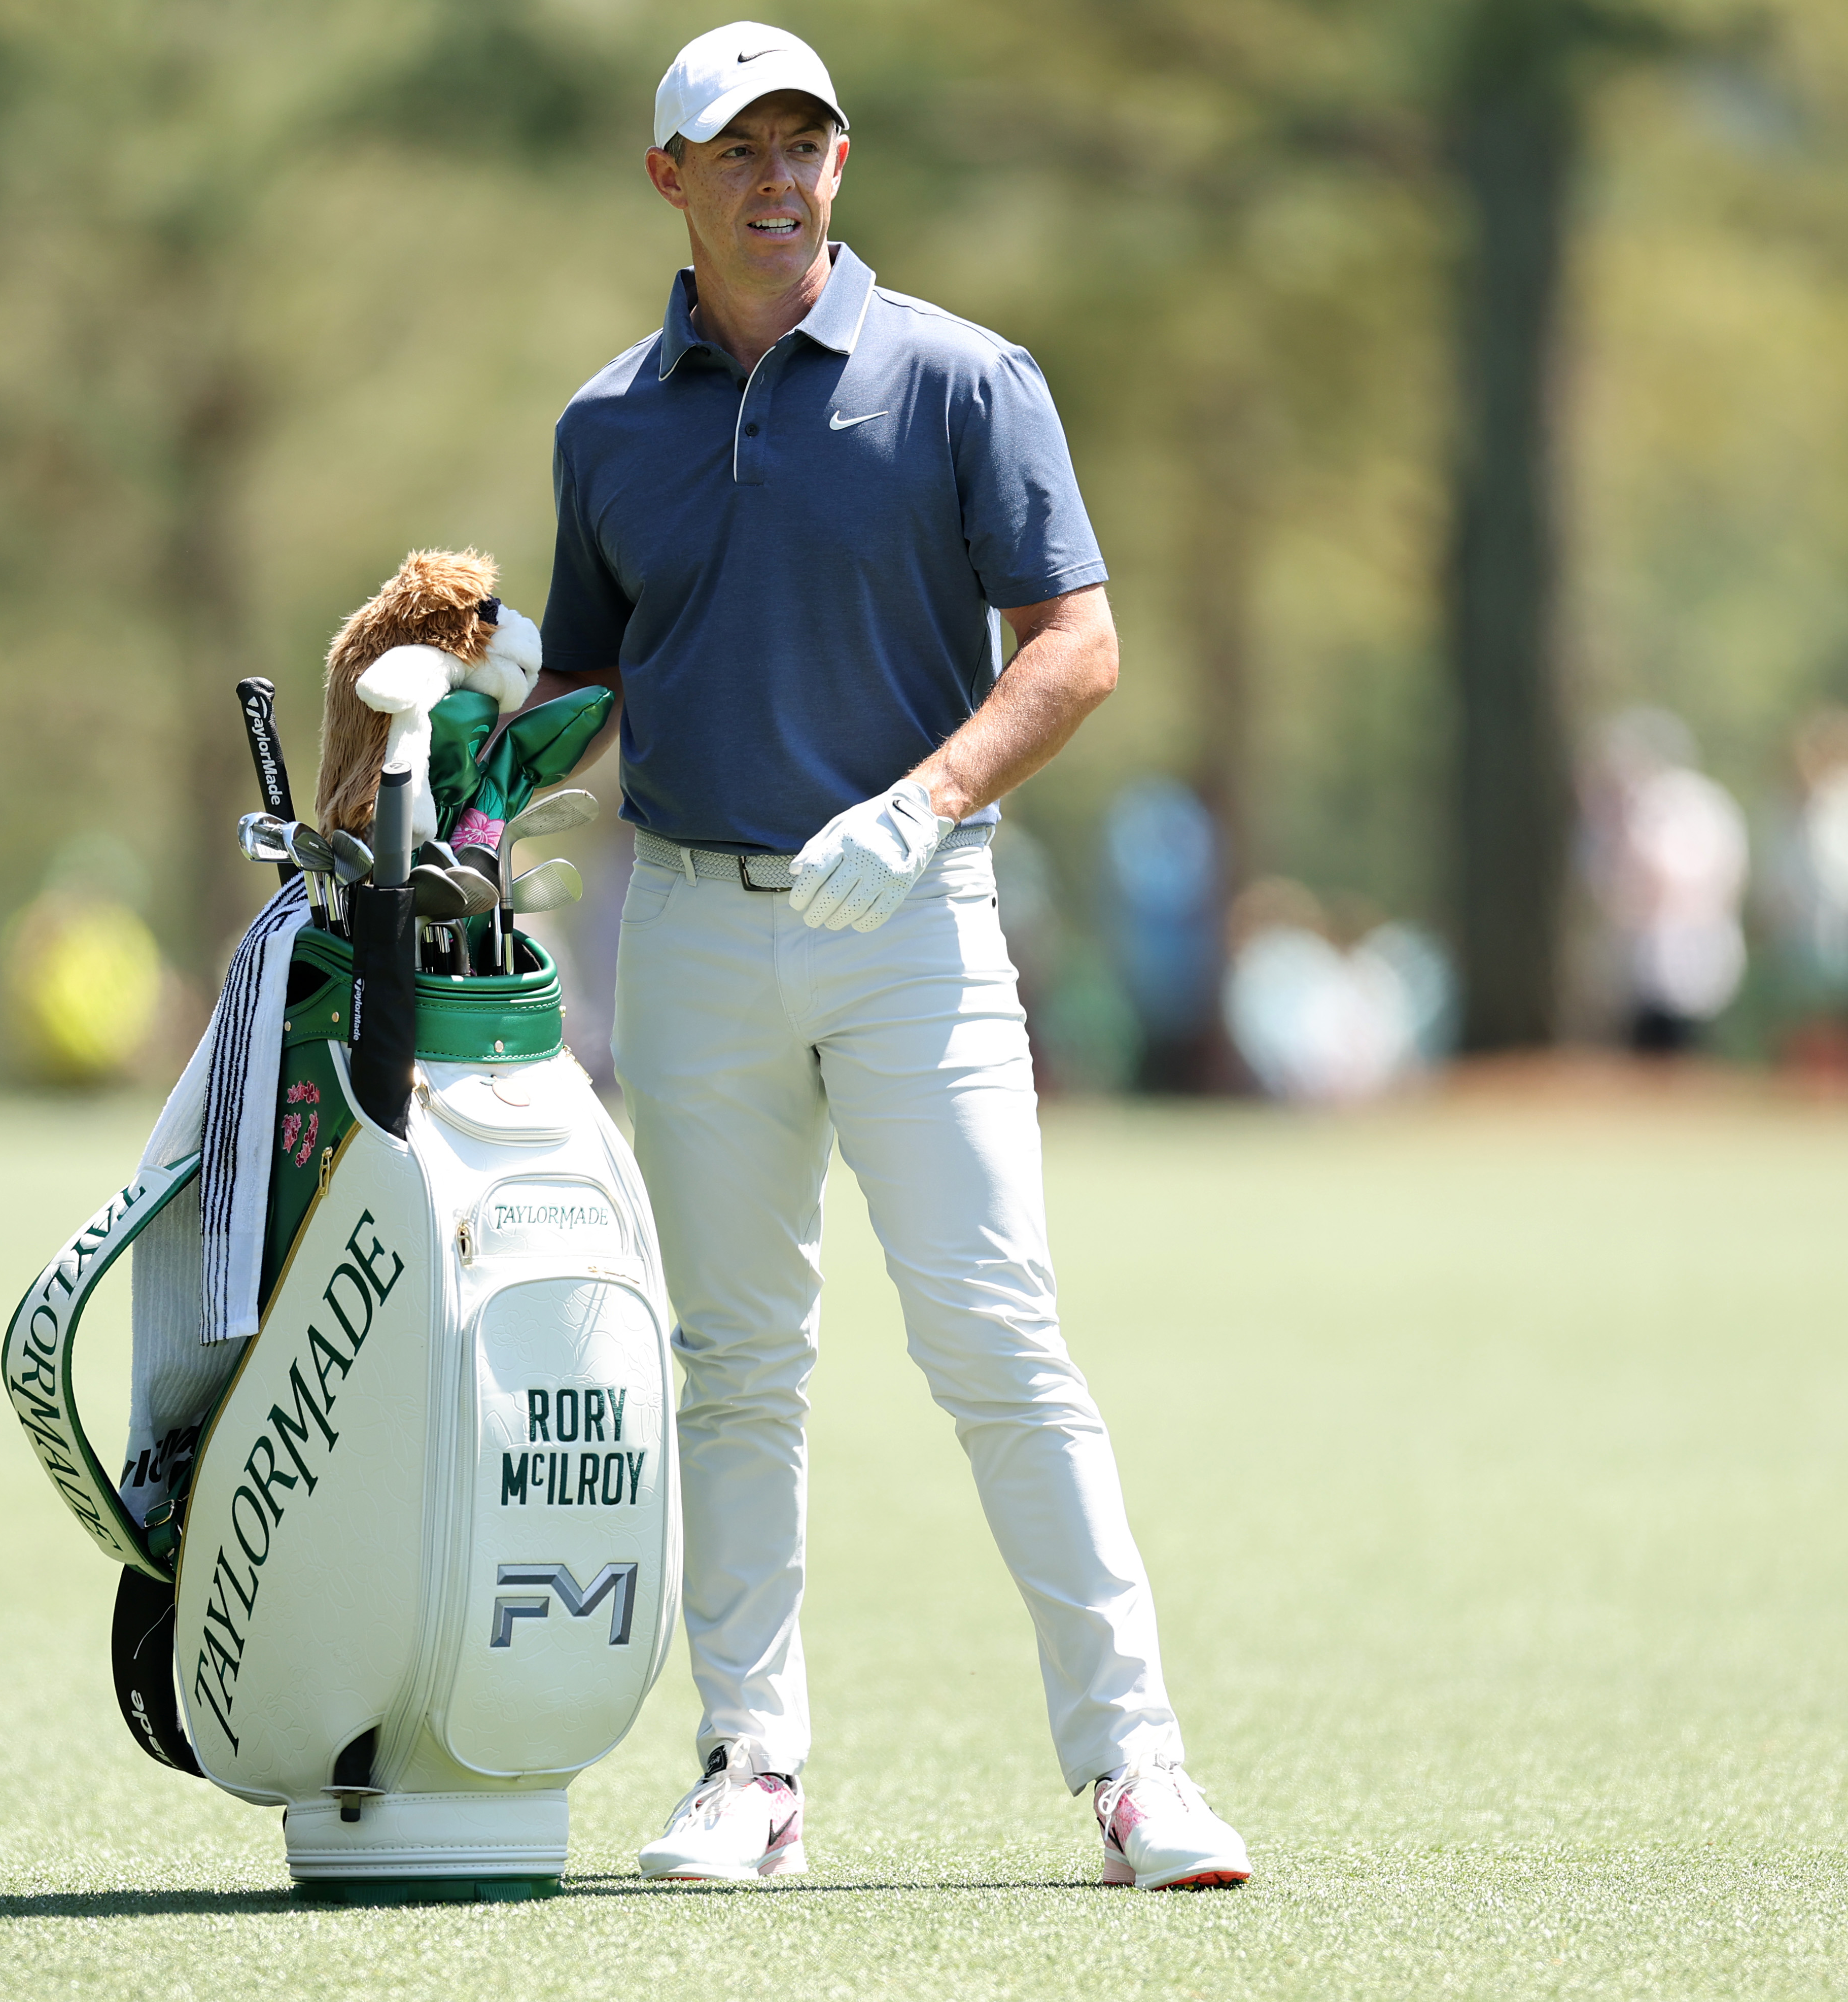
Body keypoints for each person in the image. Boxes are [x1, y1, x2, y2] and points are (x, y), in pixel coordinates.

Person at [526, 23, 1249, 1891]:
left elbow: (1074, 642)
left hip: (914, 923)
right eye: (738, 150)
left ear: (842, 167)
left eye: (807, 146)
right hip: (691, 929)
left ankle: (1137, 1769)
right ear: (668, 178)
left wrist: (922, 805)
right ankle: (748, 1767)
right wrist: (475, 761)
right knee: (736, 1365)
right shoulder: (607, 424)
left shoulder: (961, 379)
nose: (780, 179)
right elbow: (589, 691)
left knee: (1001, 1337)